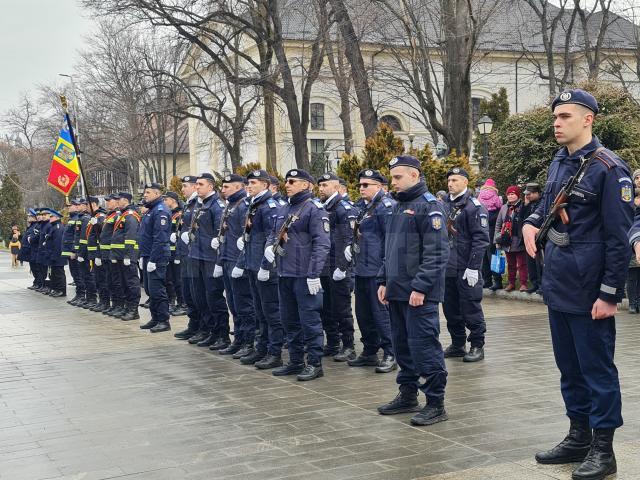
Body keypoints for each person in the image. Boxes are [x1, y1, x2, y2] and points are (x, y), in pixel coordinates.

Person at [523, 89, 633, 480]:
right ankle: (578, 435)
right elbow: (547, 204)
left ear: (588, 119)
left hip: (590, 292)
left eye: (565, 116)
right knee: (569, 369)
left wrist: (608, 293)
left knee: (596, 371)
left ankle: (603, 450)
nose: (557, 122)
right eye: (555, 116)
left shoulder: (608, 168)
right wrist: (530, 222)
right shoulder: (559, 162)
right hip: (559, 284)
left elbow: (619, 240)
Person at [376, 155, 450, 427]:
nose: (393, 182)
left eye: (398, 177)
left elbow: (437, 252)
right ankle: (407, 394)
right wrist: (383, 280)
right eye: (392, 177)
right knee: (402, 345)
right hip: (397, 290)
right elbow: (390, 249)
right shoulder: (398, 205)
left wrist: (420, 287)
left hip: (419, 294)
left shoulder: (429, 207)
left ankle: (435, 402)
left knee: (424, 347)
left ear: (415, 176)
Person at [264, 168, 330, 381]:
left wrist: (314, 273)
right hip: (285, 272)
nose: (288, 184)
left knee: (310, 320)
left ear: (306, 185)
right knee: (289, 320)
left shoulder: (314, 208)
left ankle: (314, 363)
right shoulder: (285, 207)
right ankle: (294, 361)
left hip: (304, 274)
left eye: (292, 181)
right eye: (286, 181)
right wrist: (269, 248)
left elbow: (322, 243)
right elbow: (274, 234)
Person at [344, 169, 397, 373]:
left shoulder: (385, 207)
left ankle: (391, 352)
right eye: (360, 185)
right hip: (362, 268)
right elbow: (357, 232)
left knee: (381, 315)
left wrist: (386, 271)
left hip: (377, 269)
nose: (361, 188)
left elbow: (389, 242)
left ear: (379, 186)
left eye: (366, 185)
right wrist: (350, 247)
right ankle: (369, 350)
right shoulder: (363, 207)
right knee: (363, 313)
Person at [235, 169, 285, 368]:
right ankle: (262, 349)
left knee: (271, 312)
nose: (249, 186)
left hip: (265, 269)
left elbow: (272, 238)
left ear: (265, 185)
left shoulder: (269, 206)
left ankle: (274, 353)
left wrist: (266, 266)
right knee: (260, 311)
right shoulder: (254, 204)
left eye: (254, 183)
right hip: (252, 264)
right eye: (248, 183)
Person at [442, 167, 490, 363]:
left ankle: (477, 344)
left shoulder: (474, 207)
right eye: (449, 180)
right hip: (448, 266)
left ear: (465, 182)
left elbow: (481, 239)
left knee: (470, 307)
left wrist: (473, 266)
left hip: (465, 266)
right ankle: (457, 343)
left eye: (455, 180)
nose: (450, 183)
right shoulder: (444, 204)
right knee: (450, 308)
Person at [185, 173, 231, 349]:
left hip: (210, 258)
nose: (197, 187)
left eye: (200, 184)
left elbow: (221, 231)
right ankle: (208, 330)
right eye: (196, 184)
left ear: (211, 187)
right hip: (197, 256)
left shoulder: (216, 205)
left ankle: (222, 334)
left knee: (214, 298)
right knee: (200, 297)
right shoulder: (200, 204)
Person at [317, 172, 358, 361]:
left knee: (341, 308)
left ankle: (348, 345)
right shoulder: (323, 207)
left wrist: (342, 267)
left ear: (335, 187)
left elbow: (348, 241)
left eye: (325, 186)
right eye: (319, 186)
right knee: (326, 307)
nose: (321, 189)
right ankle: (333, 342)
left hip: (337, 266)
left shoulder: (343, 207)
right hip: (324, 265)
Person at [214, 174, 256, 357]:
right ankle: (239, 339)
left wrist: (241, 263)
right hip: (227, 259)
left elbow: (245, 238)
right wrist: (220, 259)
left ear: (238, 187)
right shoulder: (229, 205)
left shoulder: (243, 206)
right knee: (233, 304)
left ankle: (249, 342)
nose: (222, 190)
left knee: (244, 305)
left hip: (238, 262)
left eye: (226, 187)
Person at [138, 183, 172, 332]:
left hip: (156, 257)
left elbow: (160, 238)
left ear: (157, 194)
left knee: (157, 290)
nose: (145, 195)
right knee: (150, 290)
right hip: (147, 255)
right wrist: (142, 256)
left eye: (148, 192)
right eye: (145, 192)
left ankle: (163, 320)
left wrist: (153, 259)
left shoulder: (160, 211)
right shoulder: (150, 210)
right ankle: (155, 318)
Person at [173, 176, 202, 340]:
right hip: (185, 254)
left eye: (185, 186)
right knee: (188, 292)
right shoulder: (189, 205)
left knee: (196, 293)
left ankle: (201, 327)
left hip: (194, 255)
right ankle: (193, 325)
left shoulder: (198, 204)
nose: (182, 189)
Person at [109, 192, 141, 321]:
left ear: (125, 200)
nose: (117, 202)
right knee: (123, 283)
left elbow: (130, 237)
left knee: (131, 283)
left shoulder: (130, 215)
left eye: (119, 200)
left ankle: (133, 310)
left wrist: (128, 255)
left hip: (128, 256)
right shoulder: (122, 215)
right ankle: (127, 307)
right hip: (120, 256)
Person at [494, 185, 527, 292]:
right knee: (511, 264)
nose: (510, 196)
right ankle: (511, 283)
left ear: (517, 195)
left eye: (513, 194)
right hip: (506, 240)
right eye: (509, 194)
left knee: (522, 263)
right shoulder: (504, 208)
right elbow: (498, 224)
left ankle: (523, 284)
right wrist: (497, 240)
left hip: (519, 239)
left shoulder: (523, 206)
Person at [162, 191, 186, 316]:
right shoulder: (169, 214)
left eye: (166, 200)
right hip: (168, 252)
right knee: (169, 279)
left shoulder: (179, 215)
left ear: (172, 200)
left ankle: (183, 303)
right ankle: (173, 301)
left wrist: (177, 254)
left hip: (176, 253)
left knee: (178, 280)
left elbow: (181, 235)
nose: (164, 202)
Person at [477, 178, 503, 289]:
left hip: (482, 229)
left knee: (484, 257)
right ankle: (497, 281)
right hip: (493, 229)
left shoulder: (479, 196)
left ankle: (486, 281)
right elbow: (500, 208)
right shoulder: (496, 197)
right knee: (493, 256)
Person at [99, 195, 119, 316]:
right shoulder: (109, 215)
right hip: (105, 253)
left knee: (115, 281)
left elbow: (115, 236)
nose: (107, 203)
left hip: (112, 253)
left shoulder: (117, 215)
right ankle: (114, 304)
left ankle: (118, 304)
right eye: (106, 202)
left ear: (116, 202)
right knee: (109, 280)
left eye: (109, 201)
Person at [86, 197, 107, 311]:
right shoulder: (93, 217)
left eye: (87, 205)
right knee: (97, 279)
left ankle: (105, 302)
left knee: (102, 279)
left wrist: (98, 224)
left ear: (93, 204)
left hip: (98, 252)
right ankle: (101, 301)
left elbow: (102, 235)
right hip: (93, 253)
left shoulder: (101, 217)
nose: (86, 207)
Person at [521, 183, 543, 294]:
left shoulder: (543, 203)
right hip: (528, 237)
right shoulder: (529, 204)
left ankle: (541, 285)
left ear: (537, 193)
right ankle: (534, 283)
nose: (527, 196)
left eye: (529, 194)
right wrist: (525, 205)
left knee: (539, 263)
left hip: (539, 236)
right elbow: (521, 218)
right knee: (531, 263)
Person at [626, 170, 640, 314]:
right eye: (637, 177)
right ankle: (632, 303)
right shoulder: (627, 197)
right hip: (630, 240)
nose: (639, 180)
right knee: (632, 276)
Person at [45, 209, 66, 297]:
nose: (49, 218)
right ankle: (56, 289)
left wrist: (54, 256)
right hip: (53, 254)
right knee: (54, 273)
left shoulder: (58, 227)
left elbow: (57, 244)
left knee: (59, 273)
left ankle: (61, 290)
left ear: (56, 217)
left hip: (57, 255)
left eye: (51, 216)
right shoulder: (54, 226)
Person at [18, 210, 36, 274]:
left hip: (32, 252)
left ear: (34, 217)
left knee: (36, 270)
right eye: (28, 216)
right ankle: (36, 283)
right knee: (34, 270)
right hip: (29, 253)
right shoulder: (31, 226)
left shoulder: (35, 226)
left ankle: (37, 283)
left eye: (30, 216)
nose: (28, 217)